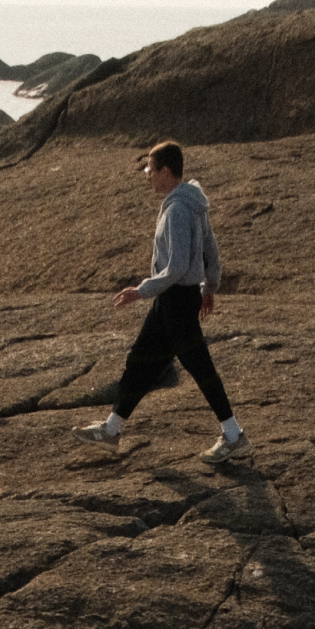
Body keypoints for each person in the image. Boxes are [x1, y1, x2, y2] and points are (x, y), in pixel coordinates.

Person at [72, 140, 249, 463]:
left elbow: (179, 266)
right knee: (141, 360)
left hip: (176, 301)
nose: (147, 176)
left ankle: (234, 436)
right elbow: (211, 249)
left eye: (150, 170)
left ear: (166, 171)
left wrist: (142, 290)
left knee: (201, 368)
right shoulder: (193, 202)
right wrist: (209, 288)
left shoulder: (179, 209)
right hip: (174, 301)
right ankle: (111, 430)